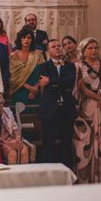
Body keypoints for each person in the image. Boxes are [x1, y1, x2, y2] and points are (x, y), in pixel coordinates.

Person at [73, 38, 101, 183]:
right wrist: (99, 98)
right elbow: (81, 89)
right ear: (83, 51)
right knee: (87, 143)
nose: (94, 50)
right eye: (90, 48)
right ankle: (87, 178)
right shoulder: (78, 66)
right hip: (88, 108)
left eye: (96, 48)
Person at [38, 39, 77, 169]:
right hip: (50, 109)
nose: (57, 48)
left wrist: (51, 81)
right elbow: (49, 84)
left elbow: (70, 82)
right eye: (53, 47)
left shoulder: (70, 66)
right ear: (48, 51)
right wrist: (58, 82)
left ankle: (68, 172)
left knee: (67, 142)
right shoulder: (43, 67)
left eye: (59, 46)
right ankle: (49, 172)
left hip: (67, 109)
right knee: (49, 142)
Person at [9, 28, 44, 111]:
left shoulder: (38, 54)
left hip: (35, 92)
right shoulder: (13, 55)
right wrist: (30, 88)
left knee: (34, 120)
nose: (26, 40)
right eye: (23, 37)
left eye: (29, 38)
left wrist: (35, 88)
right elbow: (13, 78)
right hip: (19, 90)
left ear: (32, 40)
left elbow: (43, 73)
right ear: (20, 39)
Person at [0, 96, 31, 164]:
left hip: (11, 138)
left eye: (1, 96)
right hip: (0, 142)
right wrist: (8, 143)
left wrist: (17, 138)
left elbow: (15, 128)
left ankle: (24, 174)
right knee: (12, 153)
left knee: (24, 149)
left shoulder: (8, 111)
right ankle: (13, 175)